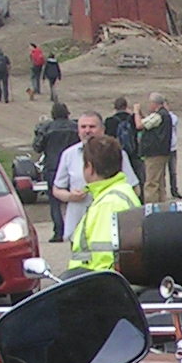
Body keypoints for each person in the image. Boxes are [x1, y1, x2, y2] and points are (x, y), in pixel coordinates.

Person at [64, 134, 141, 274]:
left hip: (94, 283)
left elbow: (105, 260)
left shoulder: (108, 203)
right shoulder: (118, 193)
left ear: (89, 167)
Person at [51, 111, 105, 239]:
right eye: (83, 127)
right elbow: (57, 189)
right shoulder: (68, 155)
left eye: (92, 127)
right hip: (78, 225)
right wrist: (70, 196)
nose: (87, 131)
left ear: (102, 130)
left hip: (105, 224)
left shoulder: (116, 153)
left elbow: (133, 188)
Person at [33, 101, 80, 242]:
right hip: (73, 165)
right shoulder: (75, 127)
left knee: (54, 201)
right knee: (76, 198)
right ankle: (77, 229)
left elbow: (37, 147)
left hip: (52, 166)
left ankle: (58, 232)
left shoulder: (47, 128)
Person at [138, 92, 176, 204]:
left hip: (154, 153)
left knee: (151, 182)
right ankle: (162, 204)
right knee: (160, 182)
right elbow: (147, 121)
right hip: (163, 152)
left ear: (155, 103)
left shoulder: (158, 116)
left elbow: (139, 125)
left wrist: (136, 112)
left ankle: (151, 205)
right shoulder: (165, 115)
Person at [105, 95, 142, 185]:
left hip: (116, 152)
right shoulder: (133, 119)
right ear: (126, 106)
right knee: (136, 178)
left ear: (115, 107)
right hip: (133, 152)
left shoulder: (110, 121)